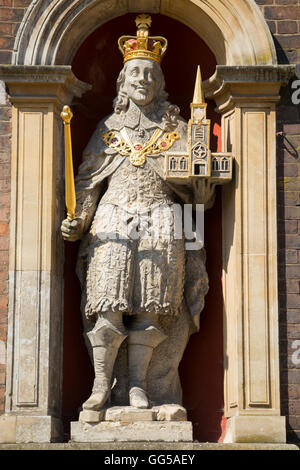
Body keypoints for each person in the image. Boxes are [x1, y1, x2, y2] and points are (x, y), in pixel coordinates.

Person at [61, 15, 211, 412]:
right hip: (111, 219)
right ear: (123, 83)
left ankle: (140, 387)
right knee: (107, 302)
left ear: (160, 83)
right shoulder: (108, 128)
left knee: (151, 307)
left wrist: (201, 185)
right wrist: (78, 218)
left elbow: (195, 190)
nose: (143, 79)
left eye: (150, 73)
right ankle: (99, 386)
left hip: (163, 220)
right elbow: (89, 181)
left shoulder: (177, 128)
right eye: (135, 73)